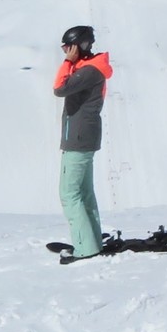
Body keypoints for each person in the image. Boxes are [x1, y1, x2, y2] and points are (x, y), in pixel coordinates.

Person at [52, 25, 112, 263]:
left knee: (69, 193)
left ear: (81, 46)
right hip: (83, 136)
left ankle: (86, 247)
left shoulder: (89, 71)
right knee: (84, 193)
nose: (65, 51)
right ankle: (91, 241)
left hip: (78, 139)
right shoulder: (91, 68)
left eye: (68, 47)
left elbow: (59, 89)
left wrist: (67, 63)